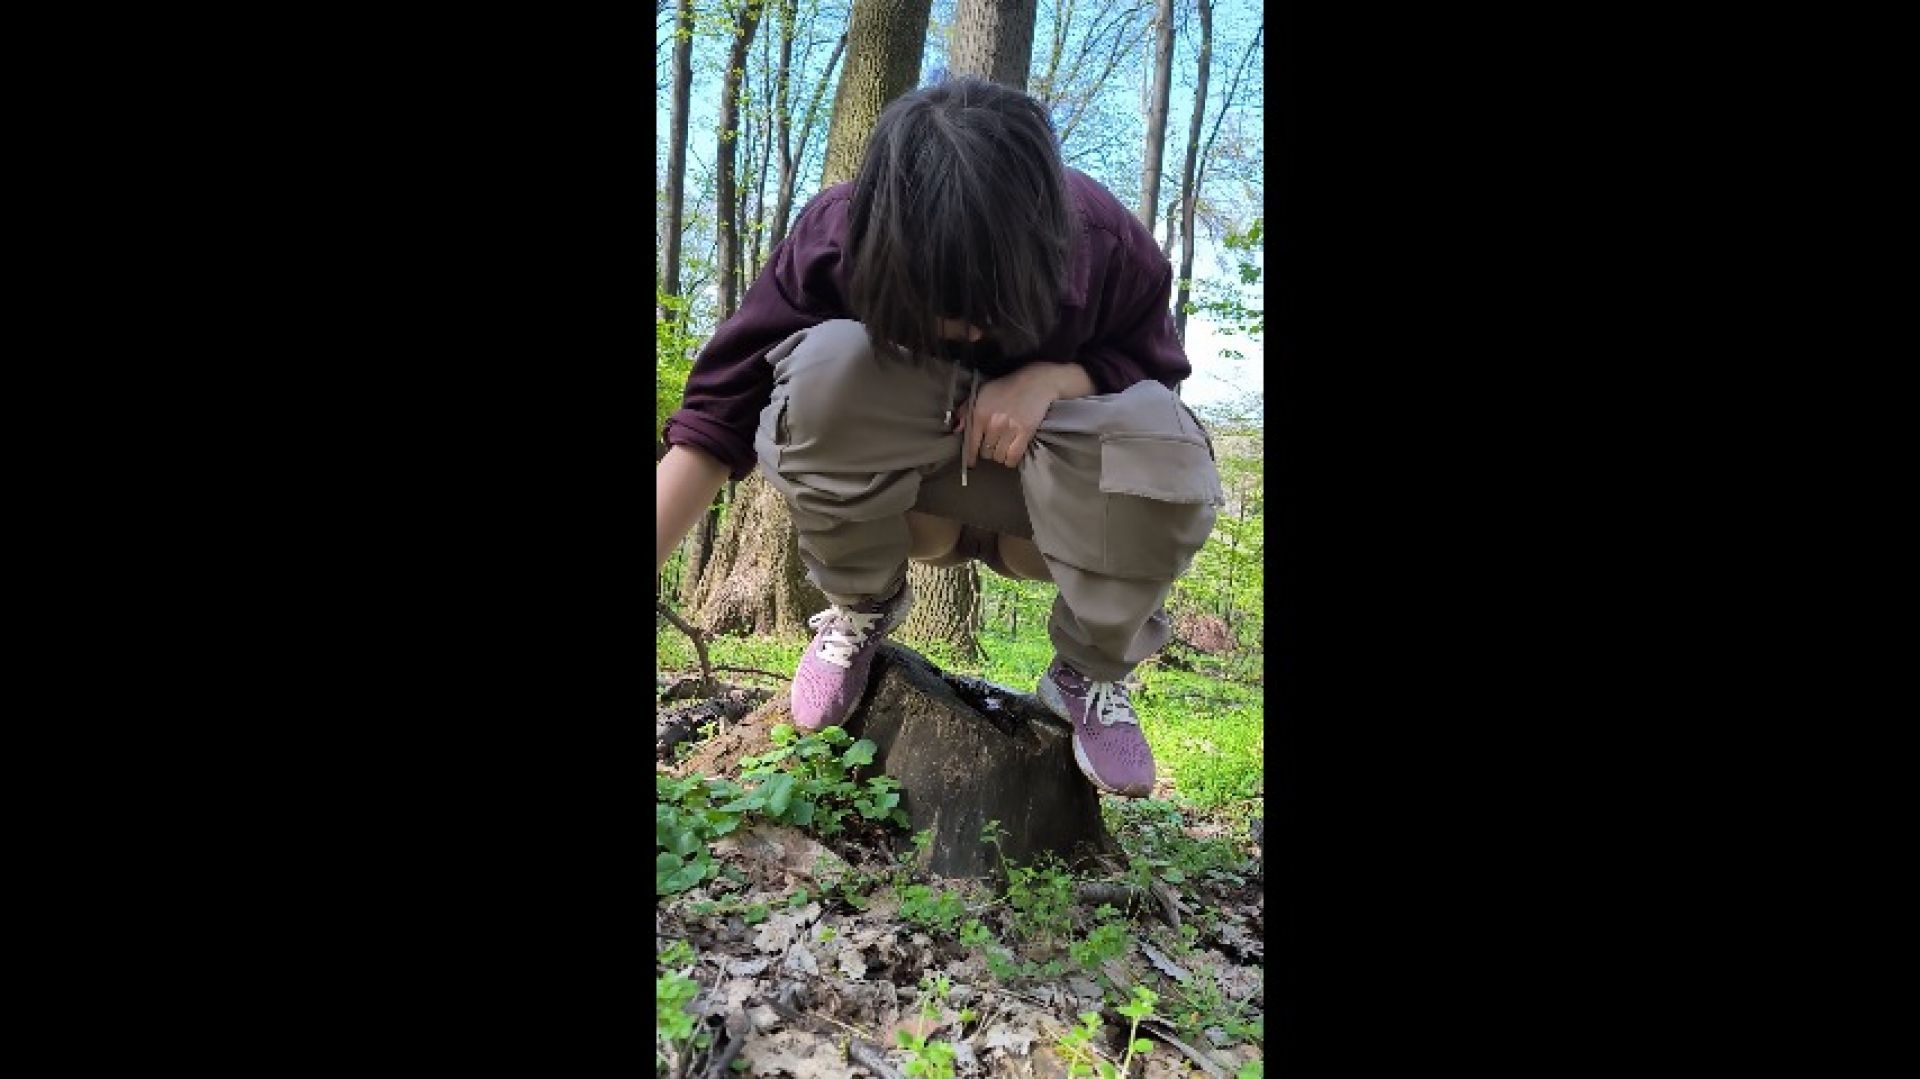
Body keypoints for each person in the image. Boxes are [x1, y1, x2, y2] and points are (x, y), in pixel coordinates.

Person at [656, 75, 1222, 798]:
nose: (967, 333)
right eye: (939, 311)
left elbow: (1155, 381)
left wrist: (1056, 379)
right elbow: (715, 421)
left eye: (989, 310)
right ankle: (860, 605)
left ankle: (1090, 665)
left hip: (1043, 524)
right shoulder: (834, 235)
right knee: (822, 368)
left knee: (1168, 439)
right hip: (906, 509)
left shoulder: (1109, 246)